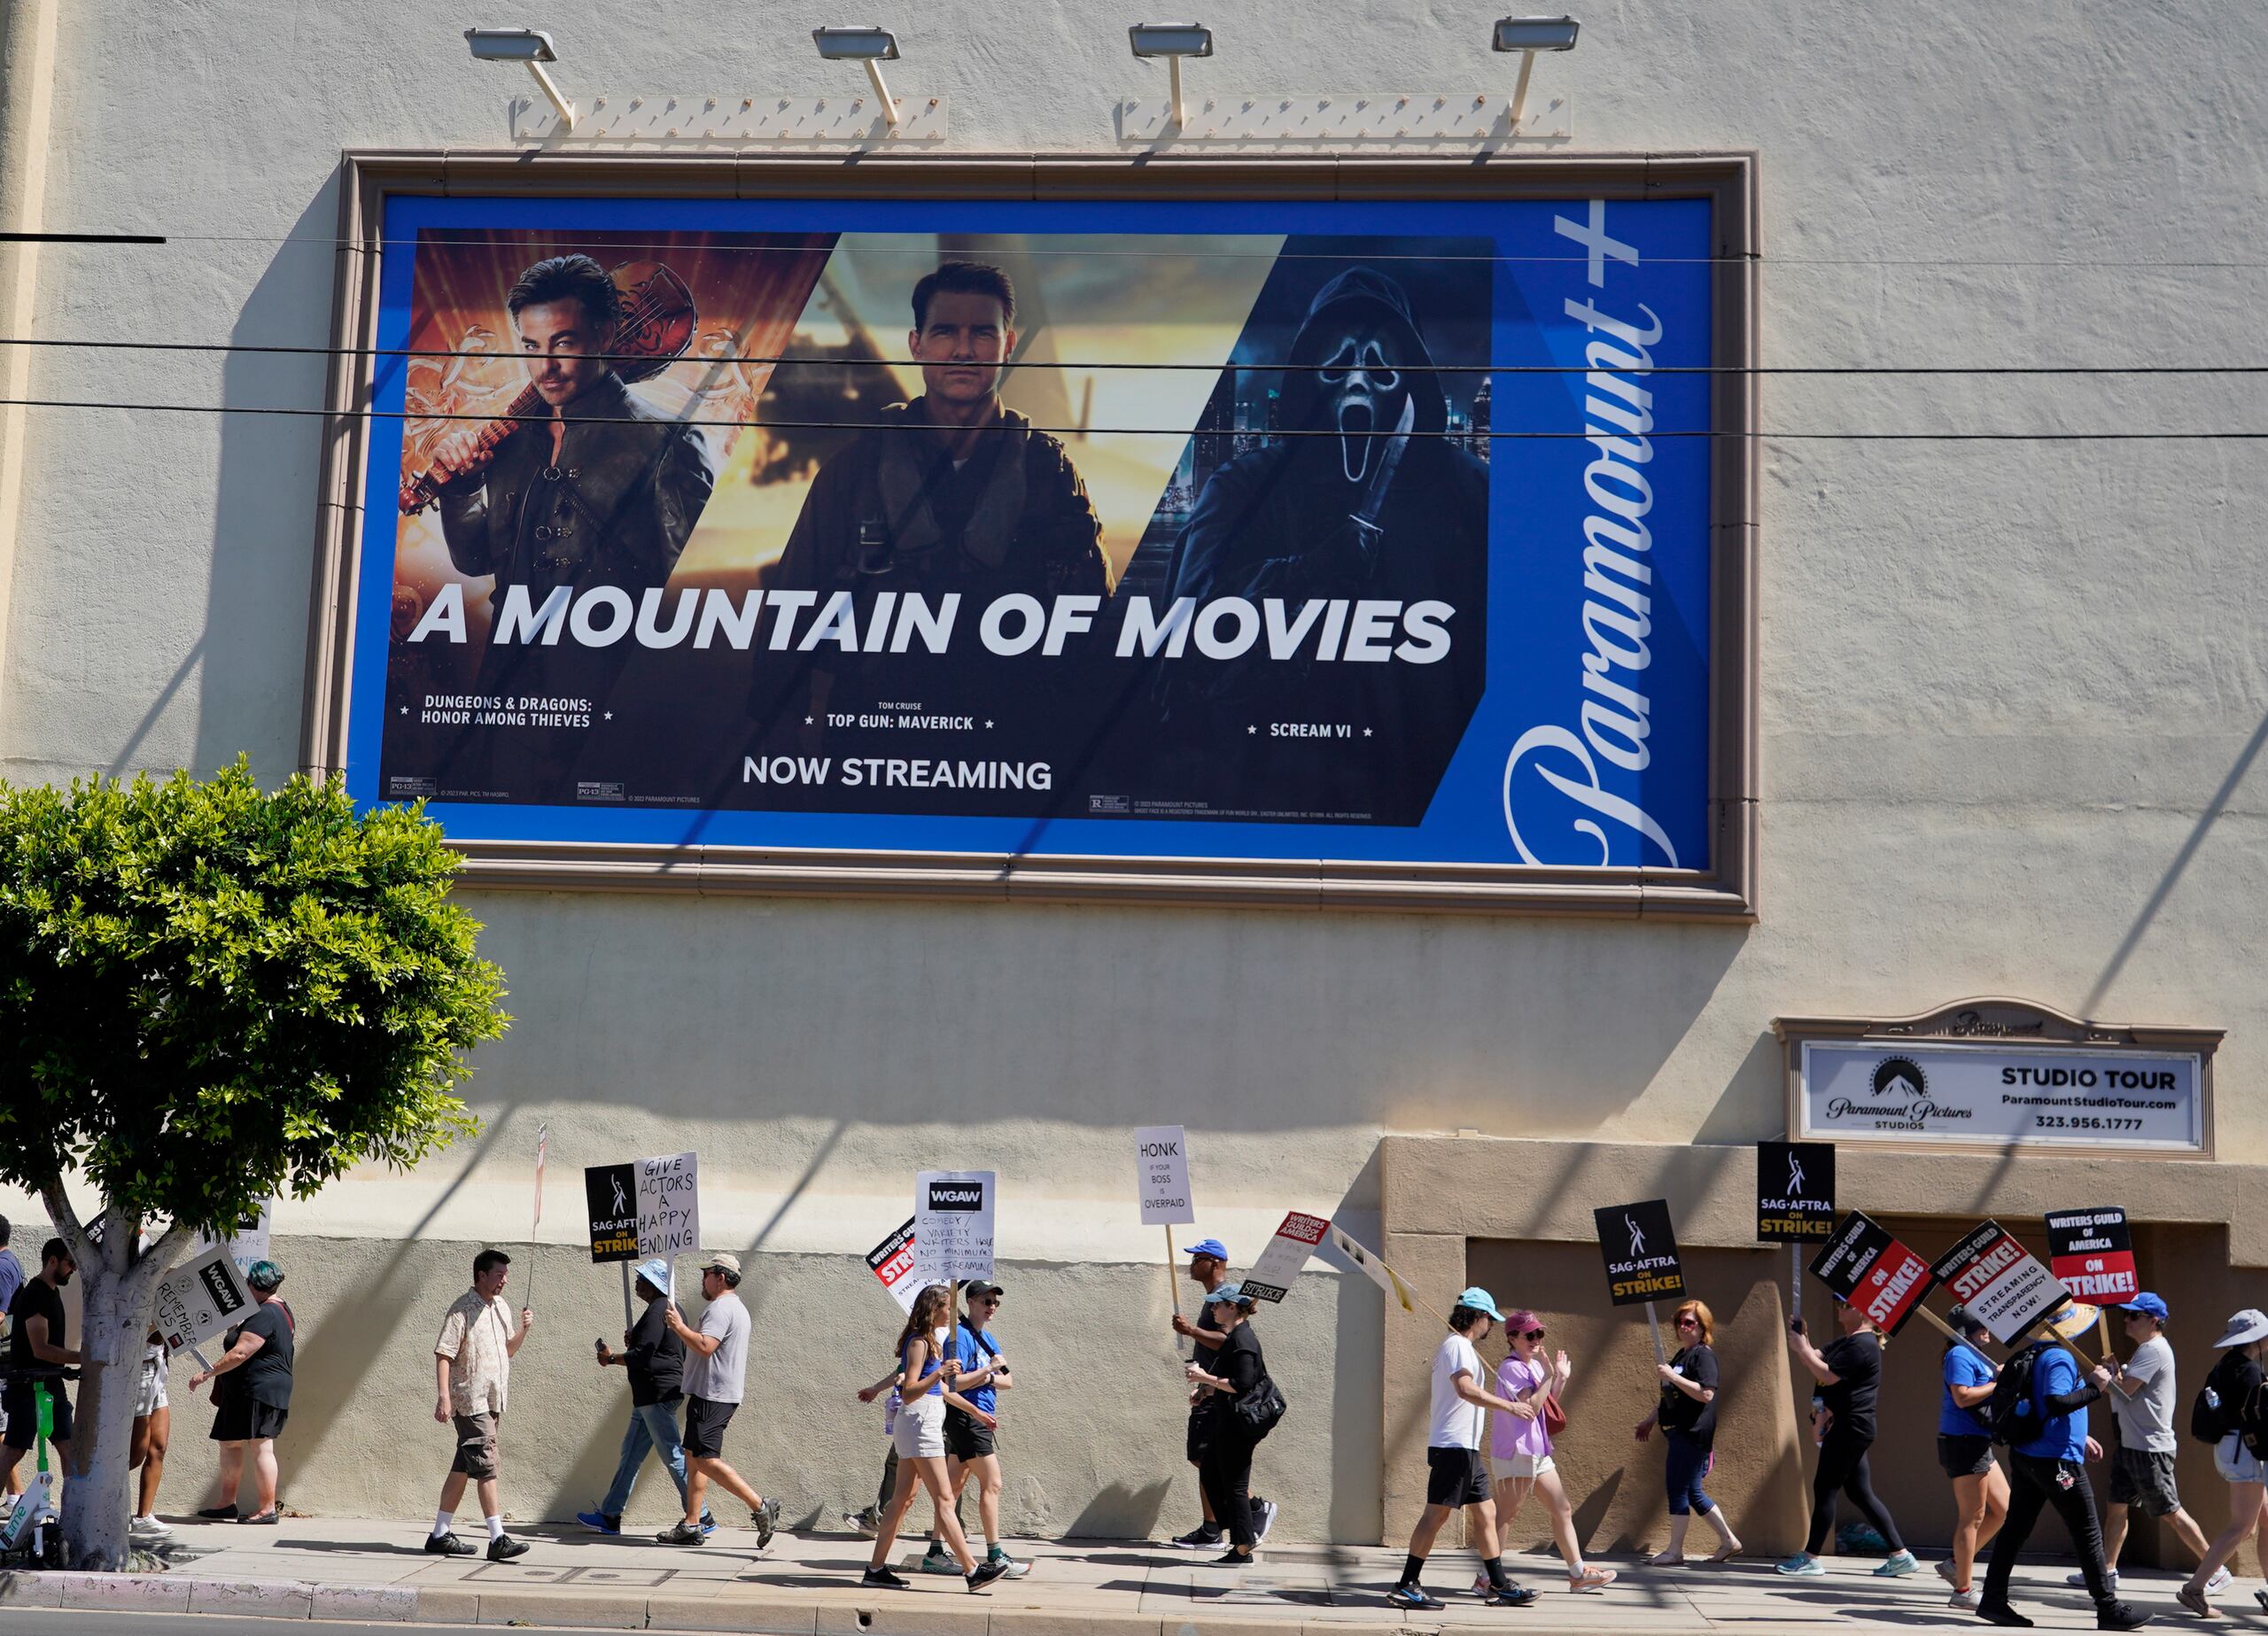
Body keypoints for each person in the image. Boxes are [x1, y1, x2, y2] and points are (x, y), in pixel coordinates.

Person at [1154, 264, 1488, 823]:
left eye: (1379, 367)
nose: (1357, 382)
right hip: (1262, 796)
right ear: (1309, 377)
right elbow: (1186, 639)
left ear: (1411, 377)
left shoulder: (1470, 491)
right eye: (1337, 366)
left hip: (1424, 802)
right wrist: (1308, 570)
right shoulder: (1244, 488)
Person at [426, 252, 718, 796]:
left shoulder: (669, 440)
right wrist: (462, 486)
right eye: (531, 347)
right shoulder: (514, 440)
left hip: (614, 702)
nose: (545, 367)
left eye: (563, 343)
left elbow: (691, 592)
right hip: (509, 694)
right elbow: (475, 559)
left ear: (607, 334)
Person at [1977, 1309, 2149, 1631]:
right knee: (2087, 1533)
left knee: (2015, 1530)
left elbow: (2046, 1404)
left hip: (2029, 1455)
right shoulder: (2059, 1357)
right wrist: (2096, 1387)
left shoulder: (2036, 1352)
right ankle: (2108, 1608)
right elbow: (2056, 1402)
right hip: (2057, 1461)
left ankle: (1993, 1599)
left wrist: (2081, 1432)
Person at [1386, 1288, 1541, 1611]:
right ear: (1477, 1316)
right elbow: (1465, 1389)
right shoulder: (1456, 1346)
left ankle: (1498, 1584)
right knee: (1436, 1515)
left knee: (1486, 1513)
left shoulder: (1461, 1347)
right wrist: (1510, 1406)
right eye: (1489, 1319)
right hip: (1453, 1446)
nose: (1491, 1326)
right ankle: (1406, 1585)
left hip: (1465, 1449)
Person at [863, 1283, 1011, 1591]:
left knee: (902, 1500)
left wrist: (976, 1411)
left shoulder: (932, 1342)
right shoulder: (919, 1343)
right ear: (934, 1309)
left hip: (922, 1423)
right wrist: (938, 1372)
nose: (953, 1313)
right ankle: (973, 1571)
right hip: (920, 1425)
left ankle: (875, 1570)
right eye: (948, 1306)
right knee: (944, 1499)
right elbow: (909, 1392)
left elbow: (942, 1391)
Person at [2088, 1295, 2226, 1602]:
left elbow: (2125, 1391)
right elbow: (2129, 1390)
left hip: (2148, 1448)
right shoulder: (2147, 1350)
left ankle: (2216, 1570)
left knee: (2170, 1511)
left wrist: (2104, 1379)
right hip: (2132, 1443)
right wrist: (2115, 1373)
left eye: (2134, 1316)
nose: (2127, 1320)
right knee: (2117, 1506)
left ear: (2153, 1320)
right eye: (2126, 1315)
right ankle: (2107, 1571)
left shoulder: (2153, 1349)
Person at [1778, 1298, 1919, 1578]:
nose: (1839, 1307)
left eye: (1846, 1304)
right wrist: (1803, 1338)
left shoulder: (1862, 1345)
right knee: (1859, 1493)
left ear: (1864, 1311)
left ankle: (1810, 1558)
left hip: (1850, 1427)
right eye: (1838, 1302)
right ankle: (1900, 1555)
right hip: (1851, 1426)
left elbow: (1827, 1375)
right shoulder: (1848, 1341)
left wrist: (1802, 1348)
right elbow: (1816, 1358)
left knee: (1825, 1487)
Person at [576, 1259, 712, 1538]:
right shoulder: (669, 1309)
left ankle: (702, 1515)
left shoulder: (659, 1308)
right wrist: (634, 1340)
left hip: (655, 1393)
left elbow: (644, 1355)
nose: (637, 1283)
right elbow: (656, 1348)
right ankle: (610, 1515)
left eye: (642, 1279)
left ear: (654, 1284)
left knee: (672, 1454)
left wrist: (610, 1358)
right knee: (631, 1454)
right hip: (651, 1395)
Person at [656, 1252, 780, 1548]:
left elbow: (705, 1346)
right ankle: (692, 1522)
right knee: (693, 1457)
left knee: (704, 1459)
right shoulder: (732, 1307)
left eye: (706, 1274)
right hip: (711, 1393)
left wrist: (678, 1327)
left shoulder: (721, 1309)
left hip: (714, 1394)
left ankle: (760, 1506)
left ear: (720, 1278)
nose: (703, 1279)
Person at [1491, 1307, 1613, 1591]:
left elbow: (1547, 1405)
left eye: (1539, 1333)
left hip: (1538, 1451)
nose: (1536, 1339)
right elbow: (1530, 1409)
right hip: (1516, 1451)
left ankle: (1578, 1574)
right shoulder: (1511, 1368)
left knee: (1562, 1509)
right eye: (1529, 1335)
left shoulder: (1535, 1366)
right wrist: (1548, 1374)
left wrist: (1560, 1378)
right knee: (1507, 1515)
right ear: (1512, 1338)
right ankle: (1488, 1577)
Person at [913, 1282, 1029, 1578]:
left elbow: (1008, 1381)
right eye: (986, 1301)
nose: (992, 1307)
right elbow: (954, 1384)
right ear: (971, 1302)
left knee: (952, 1489)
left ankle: (935, 1552)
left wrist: (987, 1377)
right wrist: (987, 1371)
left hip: (981, 1417)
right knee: (993, 1483)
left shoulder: (987, 1338)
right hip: (967, 1417)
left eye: (995, 1303)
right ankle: (995, 1555)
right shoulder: (960, 1338)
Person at [426, 1247, 533, 1562]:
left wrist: (524, 1330)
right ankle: (498, 1538)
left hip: (493, 1399)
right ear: (481, 1275)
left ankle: (440, 1534)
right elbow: (444, 1354)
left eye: (506, 1275)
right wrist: (444, 1396)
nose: (504, 1280)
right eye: (499, 1275)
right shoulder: (462, 1309)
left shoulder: (502, 1307)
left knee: (463, 1466)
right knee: (487, 1465)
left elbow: (509, 1349)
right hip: (469, 1400)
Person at [1169, 1237, 1277, 1550]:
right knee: (1204, 1458)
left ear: (1215, 1262)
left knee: (1211, 1461)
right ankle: (1214, 1527)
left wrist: (1191, 1332)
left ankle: (1248, 1512)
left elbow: (1227, 1342)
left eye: (1197, 1259)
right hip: (1212, 1391)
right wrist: (1205, 1388)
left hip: (1222, 1395)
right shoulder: (1214, 1300)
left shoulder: (1228, 1297)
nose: (1191, 1265)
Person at [186, 1260, 294, 1525]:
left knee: (261, 1445)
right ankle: (226, 1503)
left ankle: (267, 1509)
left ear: (253, 1285)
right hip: (242, 1392)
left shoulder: (266, 1313)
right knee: (230, 1442)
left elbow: (241, 1352)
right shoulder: (277, 1309)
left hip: (259, 1390)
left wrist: (207, 1373)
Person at [2177, 1308, 2268, 1618]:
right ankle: (2194, 1588)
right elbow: (2259, 1417)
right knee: (2241, 1527)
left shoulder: (2227, 1364)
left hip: (2231, 1449)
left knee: (2264, 1521)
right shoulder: (2250, 1371)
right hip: (2245, 1453)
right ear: (2256, 1338)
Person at [1636, 1299, 1741, 1566]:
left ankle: (1675, 1551)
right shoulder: (1682, 1355)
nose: (1682, 1326)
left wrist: (1673, 1376)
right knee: (1693, 1492)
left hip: (1691, 1433)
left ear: (1703, 1326)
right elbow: (1671, 1396)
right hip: (1679, 1432)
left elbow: (1706, 1394)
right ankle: (1729, 1541)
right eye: (1678, 1321)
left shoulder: (1703, 1355)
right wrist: (1651, 1419)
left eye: (1689, 1322)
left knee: (1678, 1490)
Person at [1183, 1283, 1274, 1566]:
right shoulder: (1235, 1336)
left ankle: (1243, 1546)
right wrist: (1205, 1391)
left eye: (1217, 1305)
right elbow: (1231, 1382)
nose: (1212, 1309)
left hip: (1239, 1424)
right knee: (1211, 1470)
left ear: (1232, 1307)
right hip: (1228, 1418)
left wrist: (1204, 1379)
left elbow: (1242, 1384)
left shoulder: (1243, 1339)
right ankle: (1238, 1531)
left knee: (1234, 1483)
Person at [1931, 1306, 2008, 1611]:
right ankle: (1963, 1590)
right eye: (1981, 1325)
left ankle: (1955, 1564)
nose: (1987, 1329)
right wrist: (1998, 1383)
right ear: (1968, 1331)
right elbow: (1962, 1396)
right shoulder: (1959, 1354)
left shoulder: (1973, 1354)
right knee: (1972, 1517)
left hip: (1977, 1441)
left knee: (2004, 1509)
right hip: (1963, 1442)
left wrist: (1996, 1377)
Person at [0, 1239, 78, 1499]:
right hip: (28, 1387)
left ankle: (73, 1510)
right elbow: (40, 1349)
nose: (74, 1269)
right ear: (53, 1261)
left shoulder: (52, 1292)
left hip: (52, 1384)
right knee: (13, 1450)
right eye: (70, 1263)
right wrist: (83, 1358)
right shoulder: (36, 1295)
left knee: (68, 1447)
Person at [128, 1328, 172, 1539]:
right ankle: (98, 1502)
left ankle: (143, 1517)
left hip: (157, 1366)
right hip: (140, 1370)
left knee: (159, 1446)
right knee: (136, 1455)